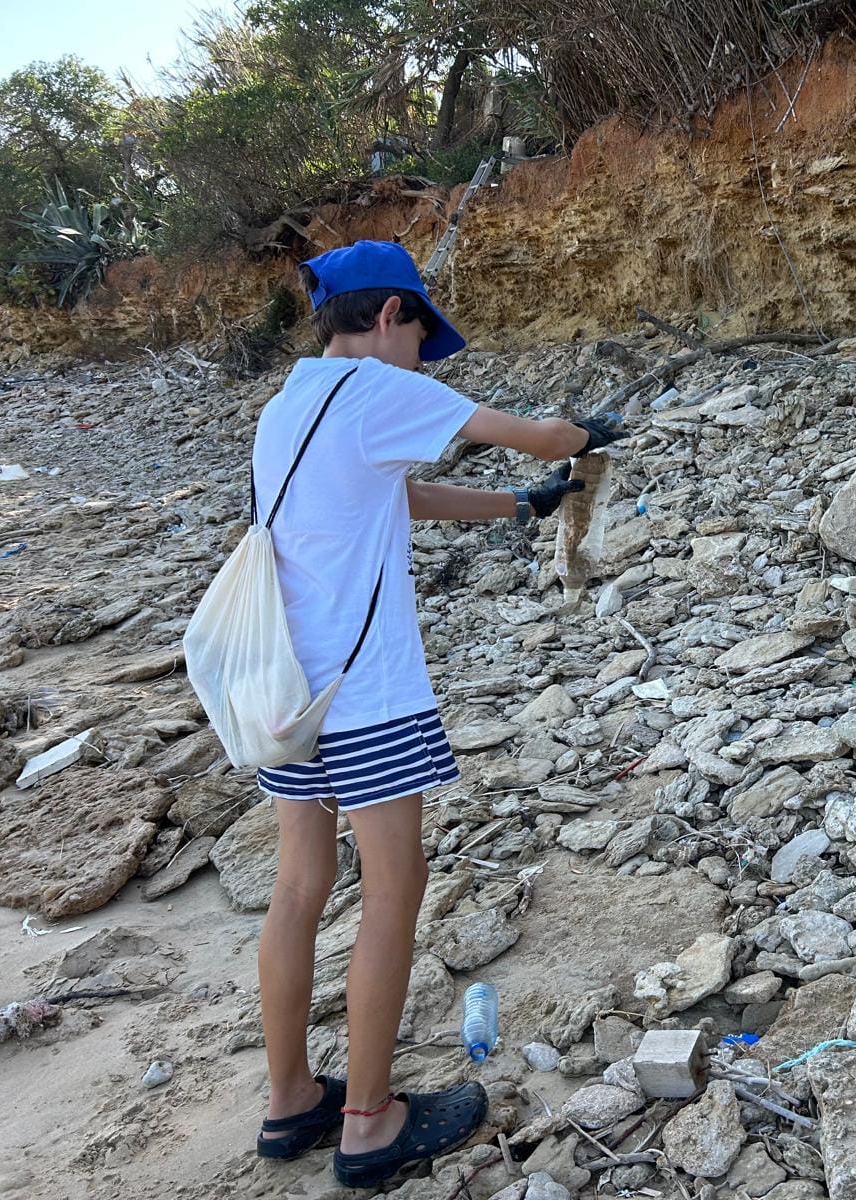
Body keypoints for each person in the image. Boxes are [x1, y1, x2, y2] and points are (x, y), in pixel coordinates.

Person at [246, 240, 623, 1189]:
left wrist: (519, 510)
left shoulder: (288, 405)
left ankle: (290, 1099)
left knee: (298, 887)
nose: (424, 351)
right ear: (387, 317)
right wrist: (580, 440)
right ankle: (371, 1123)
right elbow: (523, 428)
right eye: (421, 330)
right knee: (393, 889)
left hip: (292, 692)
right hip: (368, 695)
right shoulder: (376, 389)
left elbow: (396, 497)